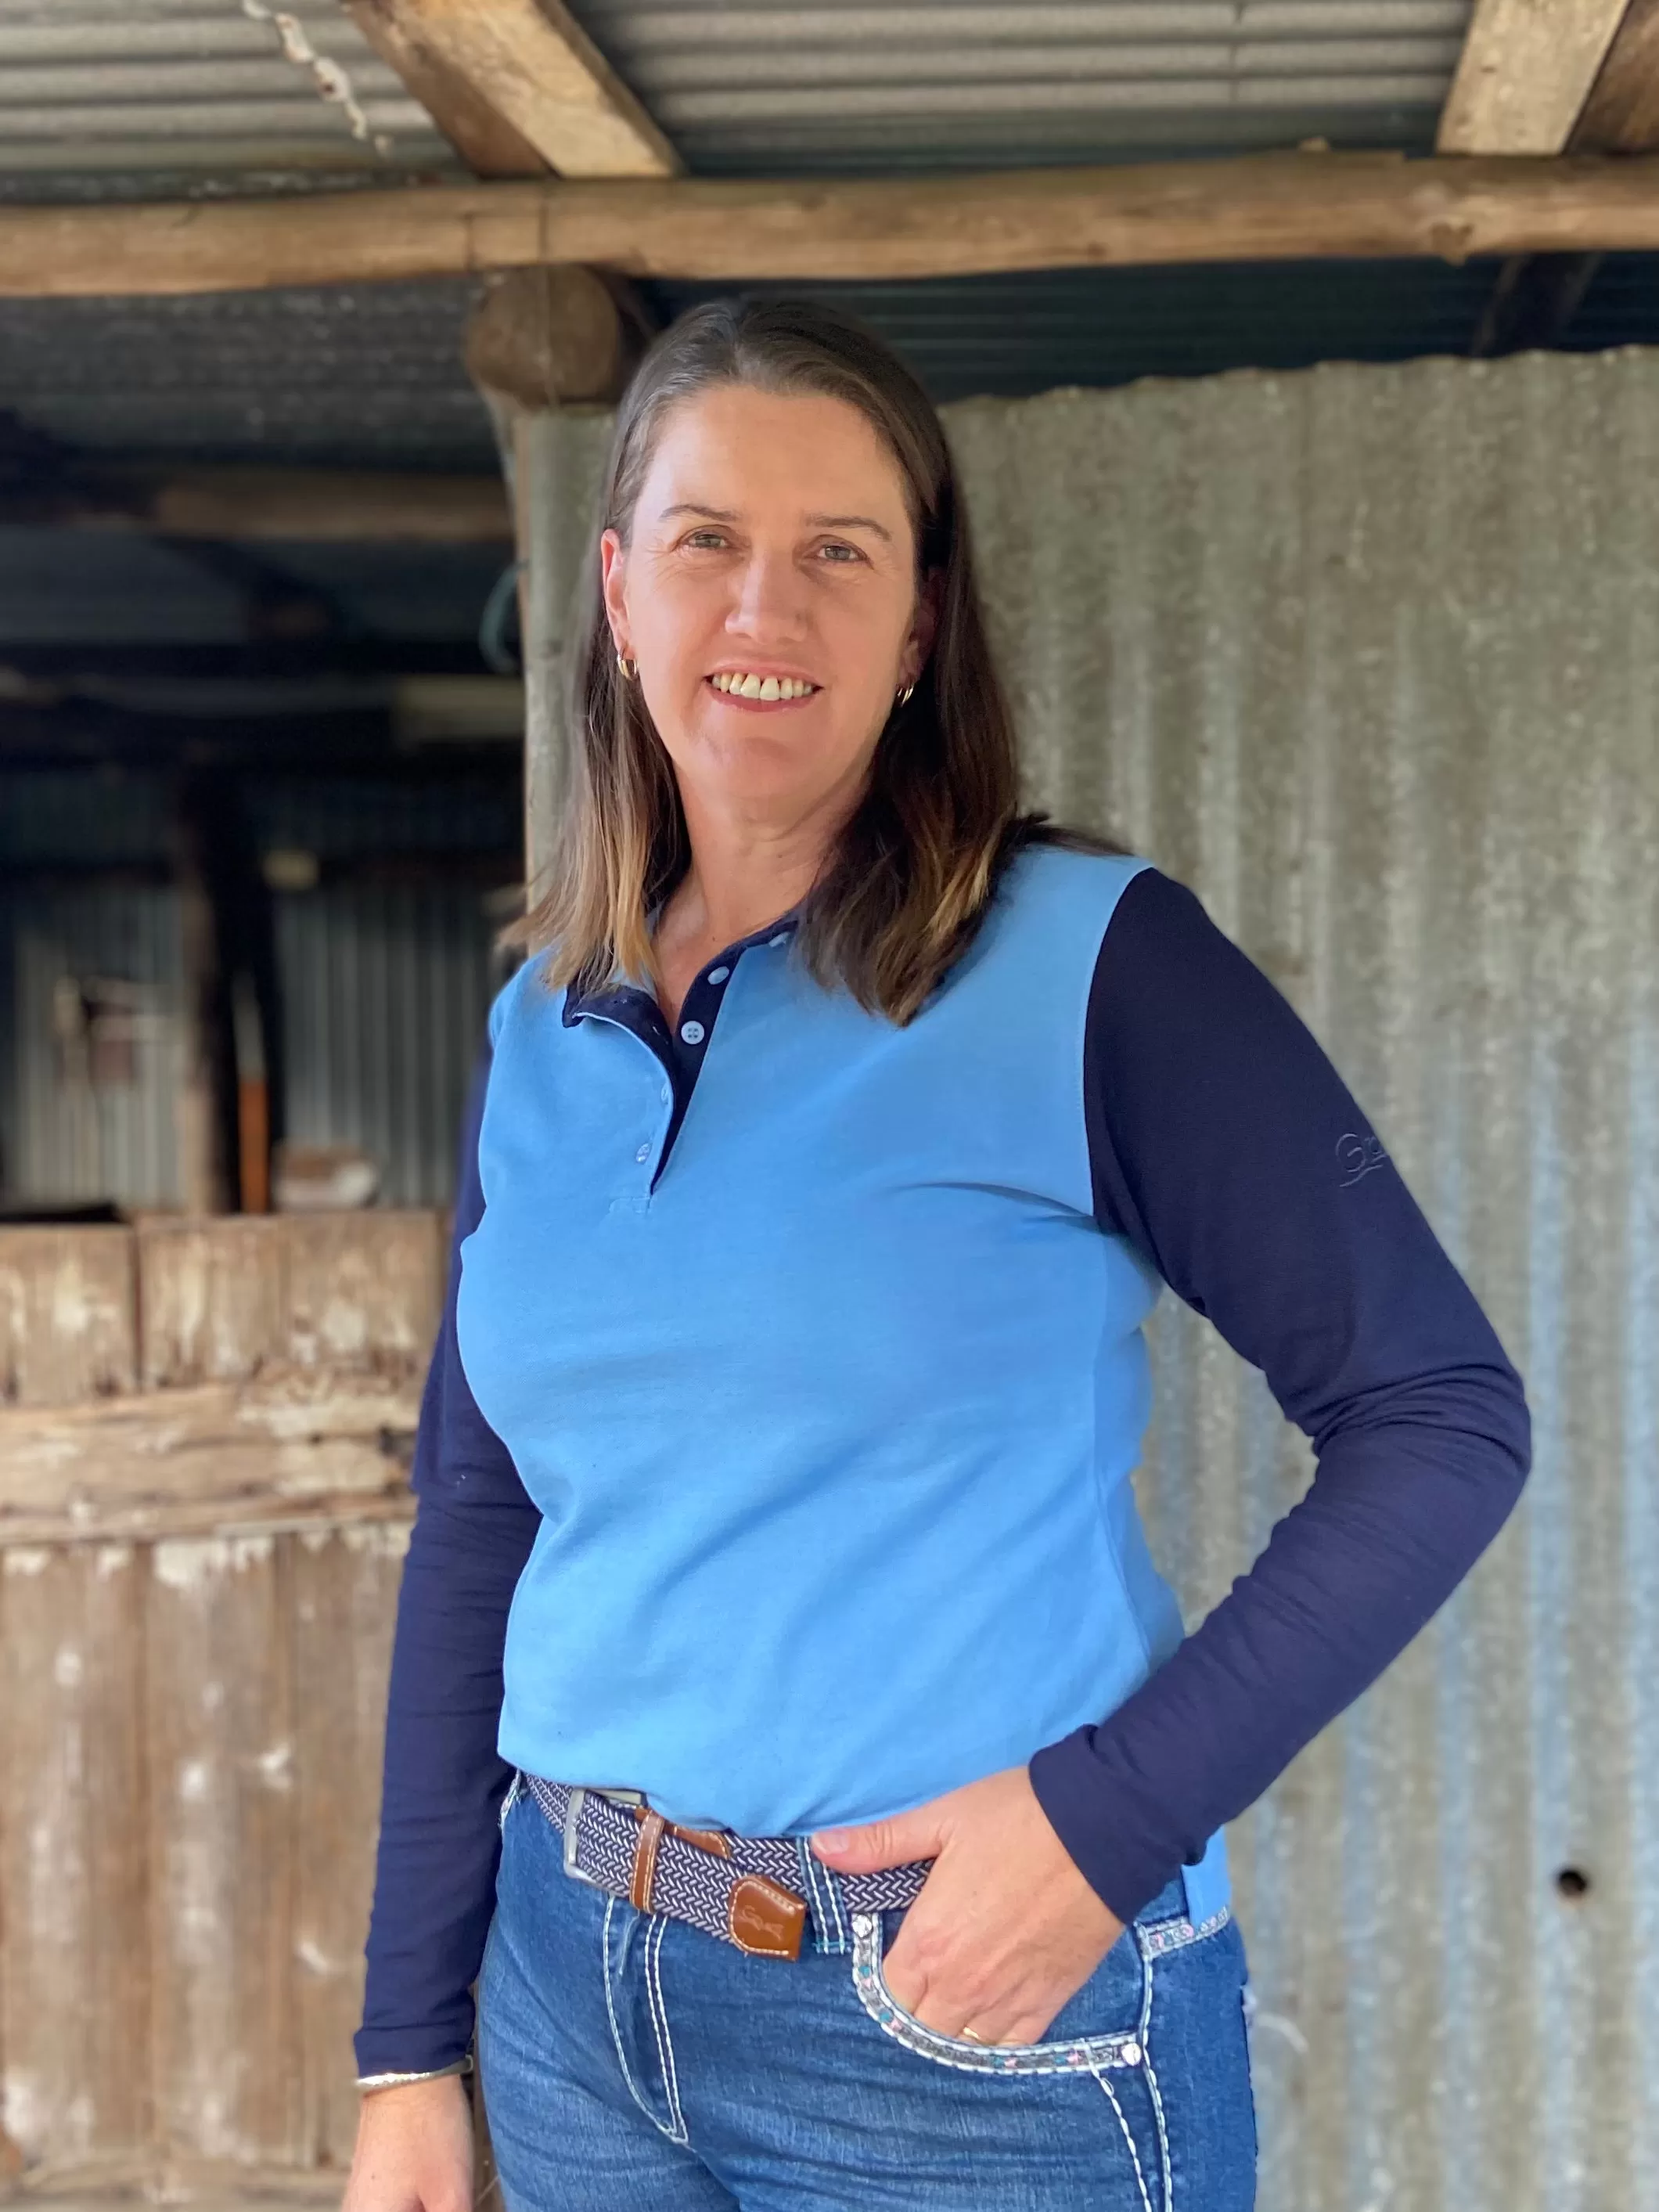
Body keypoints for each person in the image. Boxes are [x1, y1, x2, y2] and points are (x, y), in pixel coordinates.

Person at [343, 299, 1530, 2212]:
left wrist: (1100, 1830)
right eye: (711, 540)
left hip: (955, 2028)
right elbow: (481, 1516)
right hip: (573, 2002)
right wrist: (410, 2046)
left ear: (919, 626)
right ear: (617, 589)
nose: (765, 607)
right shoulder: (534, 1032)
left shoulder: (1089, 963)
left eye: (840, 552)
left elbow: (1440, 1416)